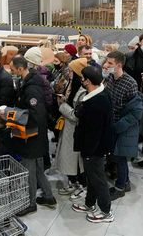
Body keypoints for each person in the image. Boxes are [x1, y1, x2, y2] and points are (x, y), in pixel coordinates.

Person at [7, 56, 57, 216]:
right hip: (37, 134)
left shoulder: (31, 88)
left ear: (20, 69)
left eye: (13, 69)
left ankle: (30, 203)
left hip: (32, 135)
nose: (11, 72)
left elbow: (36, 114)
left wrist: (11, 115)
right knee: (38, 169)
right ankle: (49, 196)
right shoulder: (29, 81)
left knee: (30, 170)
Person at [71, 66, 114, 223]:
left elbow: (94, 132)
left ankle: (106, 211)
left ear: (88, 81)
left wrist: (88, 152)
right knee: (91, 178)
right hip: (92, 147)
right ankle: (90, 204)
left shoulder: (98, 101)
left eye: (82, 78)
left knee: (98, 179)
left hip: (94, 149)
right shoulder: (98, 94)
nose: (81, 80)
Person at [103, 51, 142, 200]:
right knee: (116, 156)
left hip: (124, 127)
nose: (106, 65)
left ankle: (120, 187)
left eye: (110, 63)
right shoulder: (111, 78)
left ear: (119, 65)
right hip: (113, 125)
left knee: (121, 158)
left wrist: (119, 126)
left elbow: (136, 111)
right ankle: (124, 181)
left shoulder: (130, 83)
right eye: (106, 62)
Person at [55, 58, 88, 198]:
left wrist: (62, 105)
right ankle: (73, 183)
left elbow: (76, 116)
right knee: (69, 160)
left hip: (75, 131)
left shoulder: (83, 92)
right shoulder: (71, 86)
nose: (68, 73)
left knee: (76, 161)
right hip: (68, 129)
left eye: (71, 71)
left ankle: (82, 186)